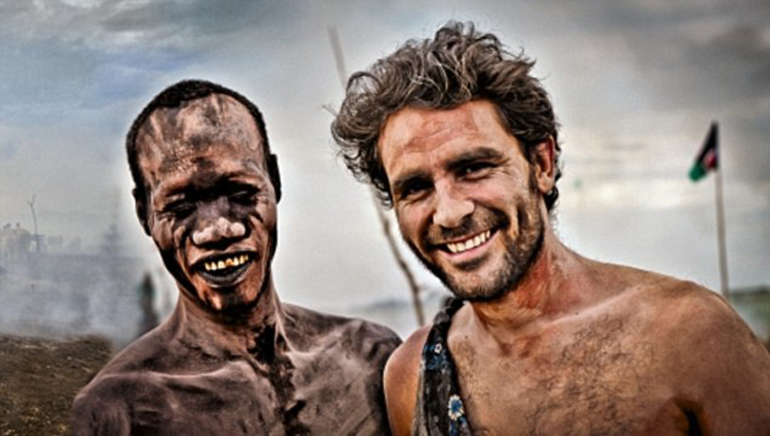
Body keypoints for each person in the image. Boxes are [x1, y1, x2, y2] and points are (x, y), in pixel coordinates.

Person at [331, 22, 770, 435]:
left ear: (541, 164)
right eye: (415, 187)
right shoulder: (412, 375)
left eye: (473, 168)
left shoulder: (688, 333)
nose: (448, 213)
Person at [71, 80, 400, 435]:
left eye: (241, 193)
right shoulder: (119, 411)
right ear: (145, 214)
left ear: (273, 181)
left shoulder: (371, 357)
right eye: (181, 206)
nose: (217, 230)